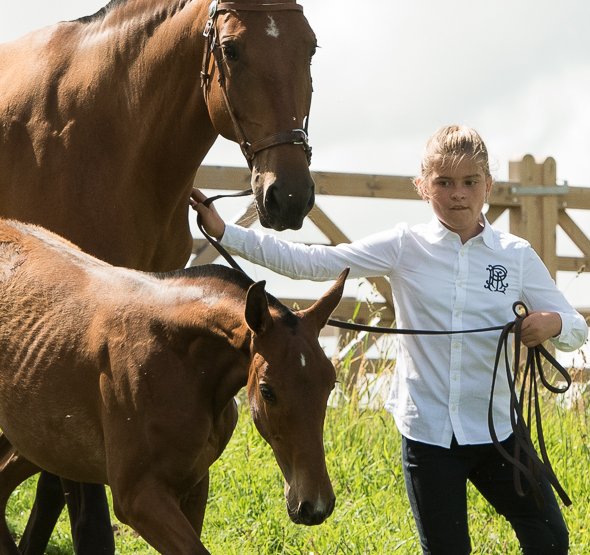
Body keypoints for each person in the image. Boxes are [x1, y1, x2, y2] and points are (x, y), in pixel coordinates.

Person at [190, 125, 587, 554]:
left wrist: (554, 324)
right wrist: (226, 232)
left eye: (470, 182)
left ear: (487, 185)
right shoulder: (404, 246)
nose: (458, 194)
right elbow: (315, 262)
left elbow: (575, 326)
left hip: (499, 431)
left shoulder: (517, 256)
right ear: (423, 187)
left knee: (550, 539)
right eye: (444, 182)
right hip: (429, 435)